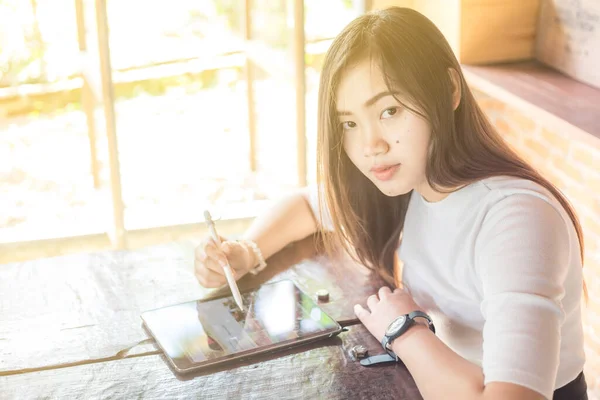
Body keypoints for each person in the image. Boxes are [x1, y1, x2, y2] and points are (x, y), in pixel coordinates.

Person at [194, 7, 588, 400]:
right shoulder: (411, 182)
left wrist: (403, 328)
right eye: (349, 123)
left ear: (449, 90)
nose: (370, 146)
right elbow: (308, 205)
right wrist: (246, 252)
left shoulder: (517, 218)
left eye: (390, 111)